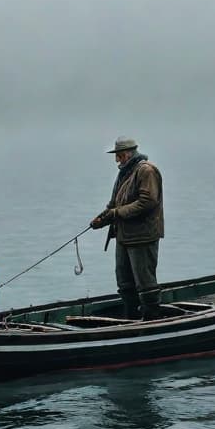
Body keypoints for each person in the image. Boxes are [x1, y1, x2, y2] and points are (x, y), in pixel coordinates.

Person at [90, 137, 164, 321]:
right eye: (116, 155)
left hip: (142, 237)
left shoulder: (146, 171)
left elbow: (147, 202)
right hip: (124, 237)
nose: (117, 160)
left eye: (120, 155)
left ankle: (152, 319)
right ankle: (131, 319)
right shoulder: (125, 173)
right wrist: (102, 218)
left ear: (130, 153)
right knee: (124, 283)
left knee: (145, 284)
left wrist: (116, 213)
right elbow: (115, 204)